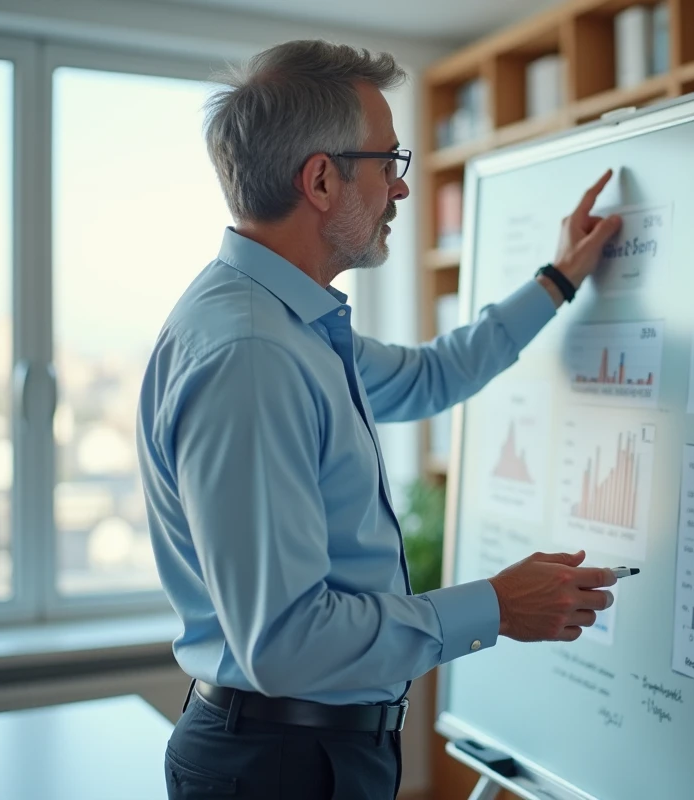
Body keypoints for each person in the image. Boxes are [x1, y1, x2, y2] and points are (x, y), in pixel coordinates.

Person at [136, 39, 624, 800]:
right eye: (389, 162)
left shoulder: (289, 323)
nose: (401, 190)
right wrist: (494, 607)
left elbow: (431, 376)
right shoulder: (253, 355)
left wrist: (557, 280)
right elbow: (287, 644)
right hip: (281, 766)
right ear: (322, 178)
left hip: (306, 754)